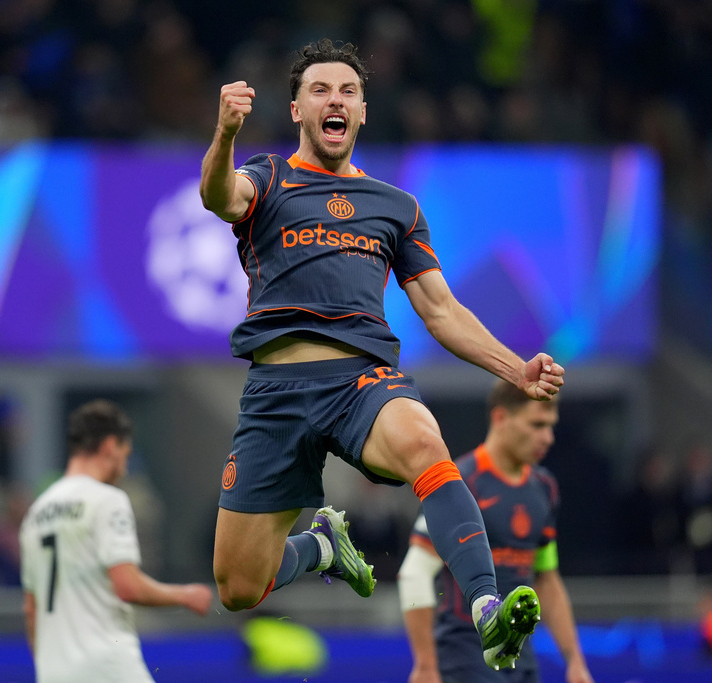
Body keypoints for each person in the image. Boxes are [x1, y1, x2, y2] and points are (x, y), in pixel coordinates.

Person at [198, 38, 564, 671]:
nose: (334, 100)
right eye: (319, 90)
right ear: (296, 110)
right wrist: (226, 132)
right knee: (237, 587)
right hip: (275, 395)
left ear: (363, 111)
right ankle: (321, 548)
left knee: (425, 442)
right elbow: (219, 196)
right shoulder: (268, 176)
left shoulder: (397, 208)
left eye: (348, 91)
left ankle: (486, 608)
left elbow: (441, 310)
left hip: (359, 382)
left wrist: (516, 369)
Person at [398, 382, 593, 683]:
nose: (548, 438)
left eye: (551, 426)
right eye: (537, 425)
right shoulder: (457, 483)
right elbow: (415, 573)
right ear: (501, 418)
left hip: (521, 661)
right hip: (463, 661)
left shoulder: (544, 488)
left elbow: (546, 577)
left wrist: (575, 662)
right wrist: (426, 665)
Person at [19, 399, 213, 683]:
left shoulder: (36, 513)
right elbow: (127, 586)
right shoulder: (107, 500)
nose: (124, 467)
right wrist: (184, 595)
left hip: (53, 673)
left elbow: (31, 609)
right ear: (110, 445)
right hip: (108, 667)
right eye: (126, 454)